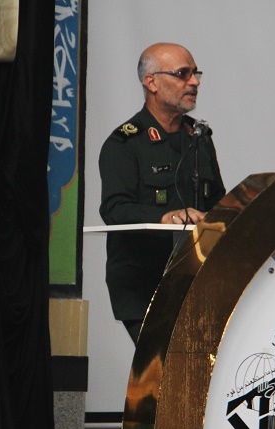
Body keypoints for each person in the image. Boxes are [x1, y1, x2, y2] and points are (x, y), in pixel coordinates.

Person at [99, 42, 226, 345]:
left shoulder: (199, 138)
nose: (194, 82)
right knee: (165, 366)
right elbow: (114, 209)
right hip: (144, 284)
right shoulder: (125, 143)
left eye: (195, 74)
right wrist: (165, 216)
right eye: (183, 74)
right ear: (152, 82)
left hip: (194, 280)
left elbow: (218, 204)